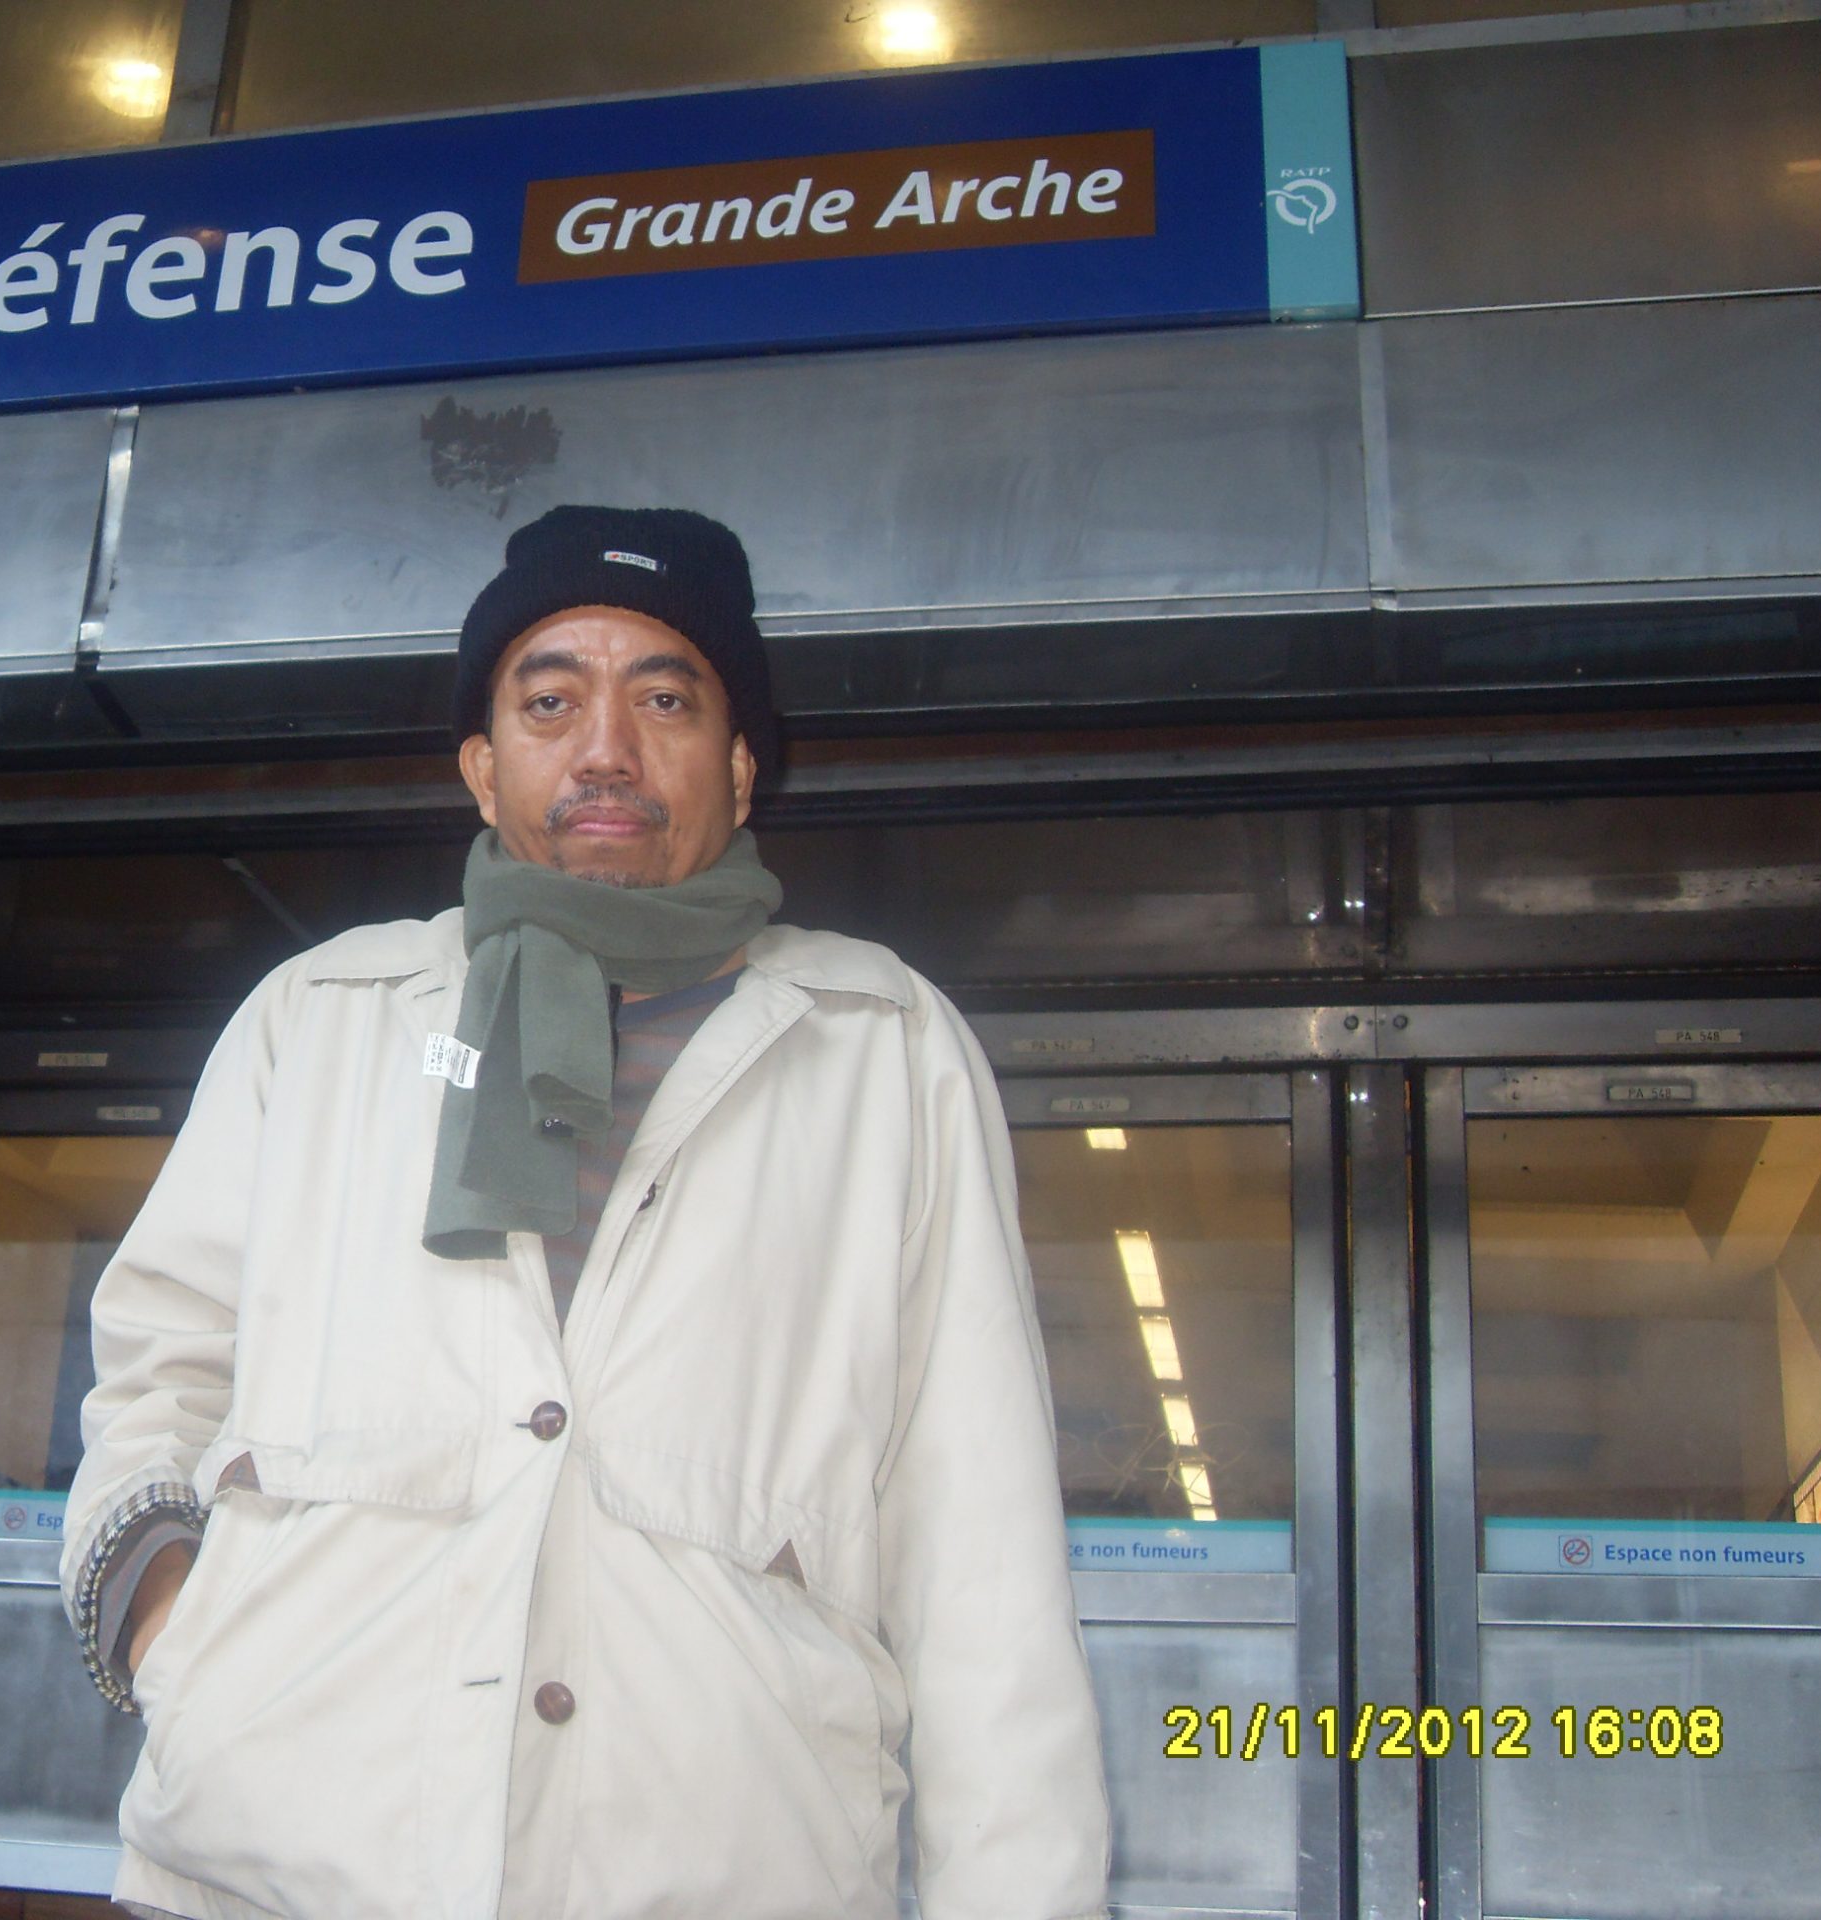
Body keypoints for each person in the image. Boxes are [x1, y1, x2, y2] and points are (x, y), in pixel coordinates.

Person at [61, 504, 1110, 1920]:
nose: (605, 748)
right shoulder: (324, 1016)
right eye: (550, 702)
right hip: (262, 1877)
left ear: (740, 765)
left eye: (665, 700)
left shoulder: (882, 1045)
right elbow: (158, 1365)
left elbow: (979, 1545)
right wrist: (169, 1623)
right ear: (482, 766)